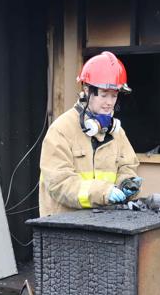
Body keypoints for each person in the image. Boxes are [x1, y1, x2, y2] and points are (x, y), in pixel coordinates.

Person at [39, 51, 142, 217]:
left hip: (103, 223)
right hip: (64, 227)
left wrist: (126, 184)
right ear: (87, 91)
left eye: (114, 95)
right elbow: (59, 184)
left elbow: (128, 167)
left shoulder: (117, 132)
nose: (109, 102)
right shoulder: (61, 130)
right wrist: (103, 192)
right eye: (103, 95)